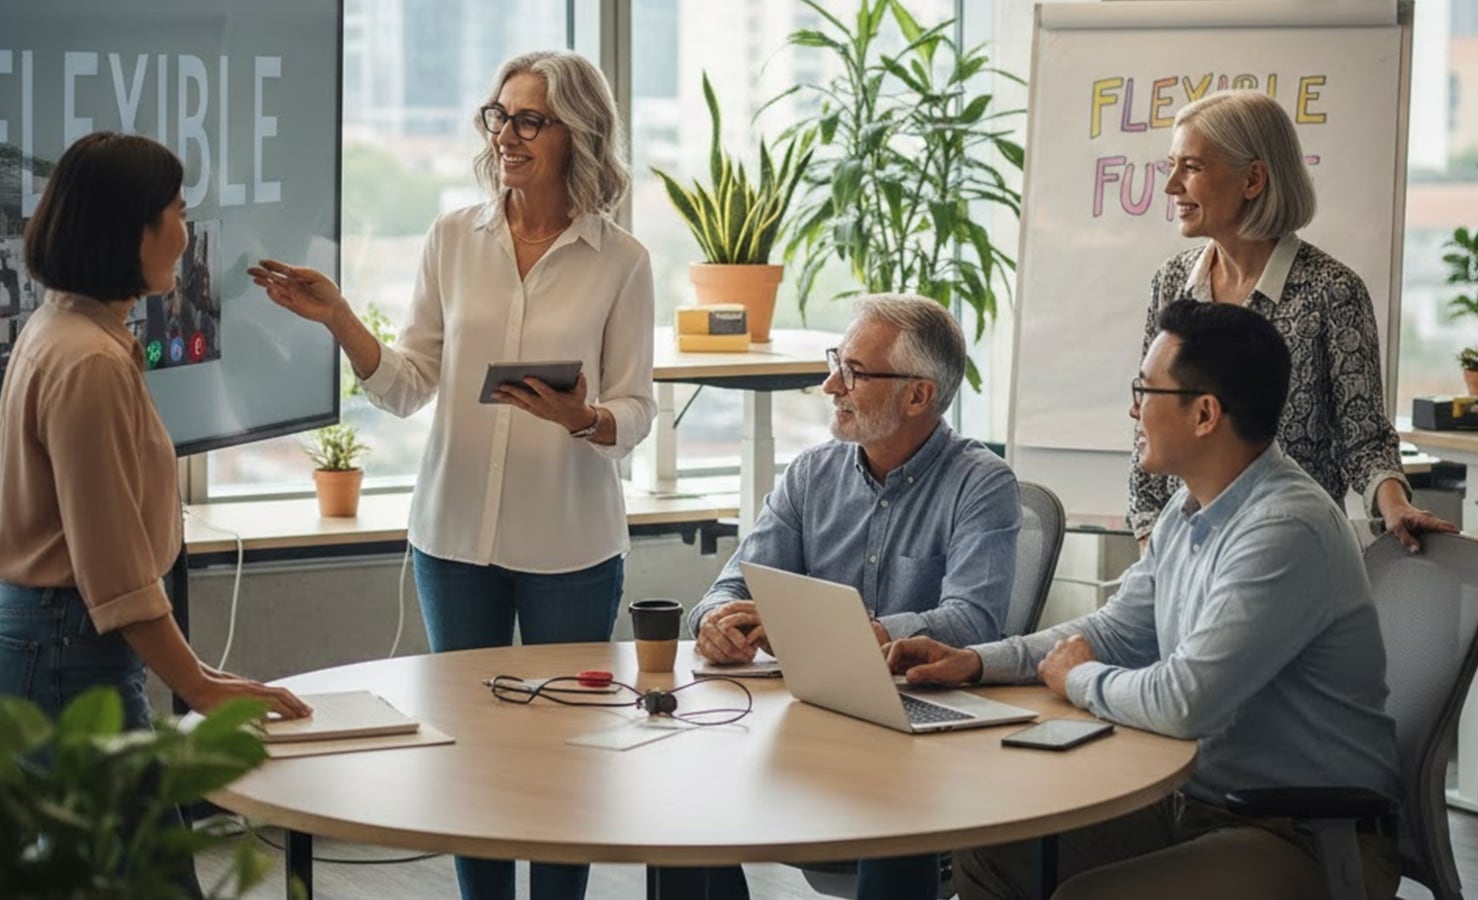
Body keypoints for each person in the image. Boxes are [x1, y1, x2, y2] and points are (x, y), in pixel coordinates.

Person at [250, 50, 654, 900]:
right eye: (499, 116)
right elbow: (405, 387)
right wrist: (340, 319)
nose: (507, 136)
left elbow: (636, 409)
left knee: (561, 758)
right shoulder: (450, 237)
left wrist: (580, 417)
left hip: (571, 547)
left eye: (529, 119)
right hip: (453, 537)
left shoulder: (622, 260)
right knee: (468, 753)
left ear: (577, 132)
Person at [890, 300, 1403, 900]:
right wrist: (978, 661)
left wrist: (1080, 679)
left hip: (1302, 832)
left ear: (1205, 414)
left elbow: (1186, 701)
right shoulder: (1189, 511)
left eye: (1146, 390)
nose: (1133, 409)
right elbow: (1113, 632)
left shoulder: (1285, 530)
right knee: (993, 843)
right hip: (1196, 804)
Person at [0, 132, 311, 892]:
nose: (187, 230)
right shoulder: (88, 361)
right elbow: (113, 574)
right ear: (129, 229)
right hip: (69, 649)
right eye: (176, 210)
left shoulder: (70, 330)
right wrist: (201, 690)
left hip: (68, 643)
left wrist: (197, 672)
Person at [675, 294, 1021, 900]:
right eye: (838, 362)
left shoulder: (981, 483)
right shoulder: (812, 473)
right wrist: (714, 621)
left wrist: (851, 632)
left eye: (855, 372)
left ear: (918, 396)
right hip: (809, 716)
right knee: (683, 803)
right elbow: (732, 585)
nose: (831, 383)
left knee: (894, 815)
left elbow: (974, 620)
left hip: (916, 730)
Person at [1129, 89, 1454, 553]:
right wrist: (1151, 549)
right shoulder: (1172, 281)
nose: (1171, 186)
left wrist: (1394, 504)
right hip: (1186, 550)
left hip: (1293, 548)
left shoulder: (1332, 291)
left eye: (1192, 167)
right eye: (1172, 165)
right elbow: (1148, 419)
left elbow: (1363, 437)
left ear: (1253, 179)